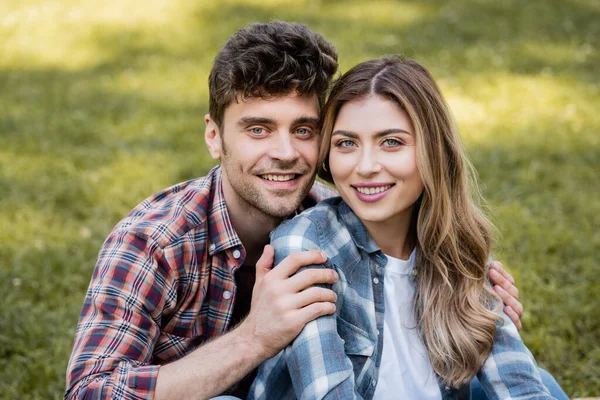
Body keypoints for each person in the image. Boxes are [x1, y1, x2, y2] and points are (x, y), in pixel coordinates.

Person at [65, 22, 525, 399]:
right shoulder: (156, 240)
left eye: (304, 130)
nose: (285, 153)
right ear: (213, 136)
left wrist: (471, 299)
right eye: (259, 129)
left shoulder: (342, 219)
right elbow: (90, 390)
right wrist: (255, 337)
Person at [248, 56, 567, 399]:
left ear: (433, 150)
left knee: (541, 383)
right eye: (346, 143)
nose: (366, 167)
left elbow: (517, 382)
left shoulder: (458, 245)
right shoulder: (305, 245)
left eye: (392, 142)